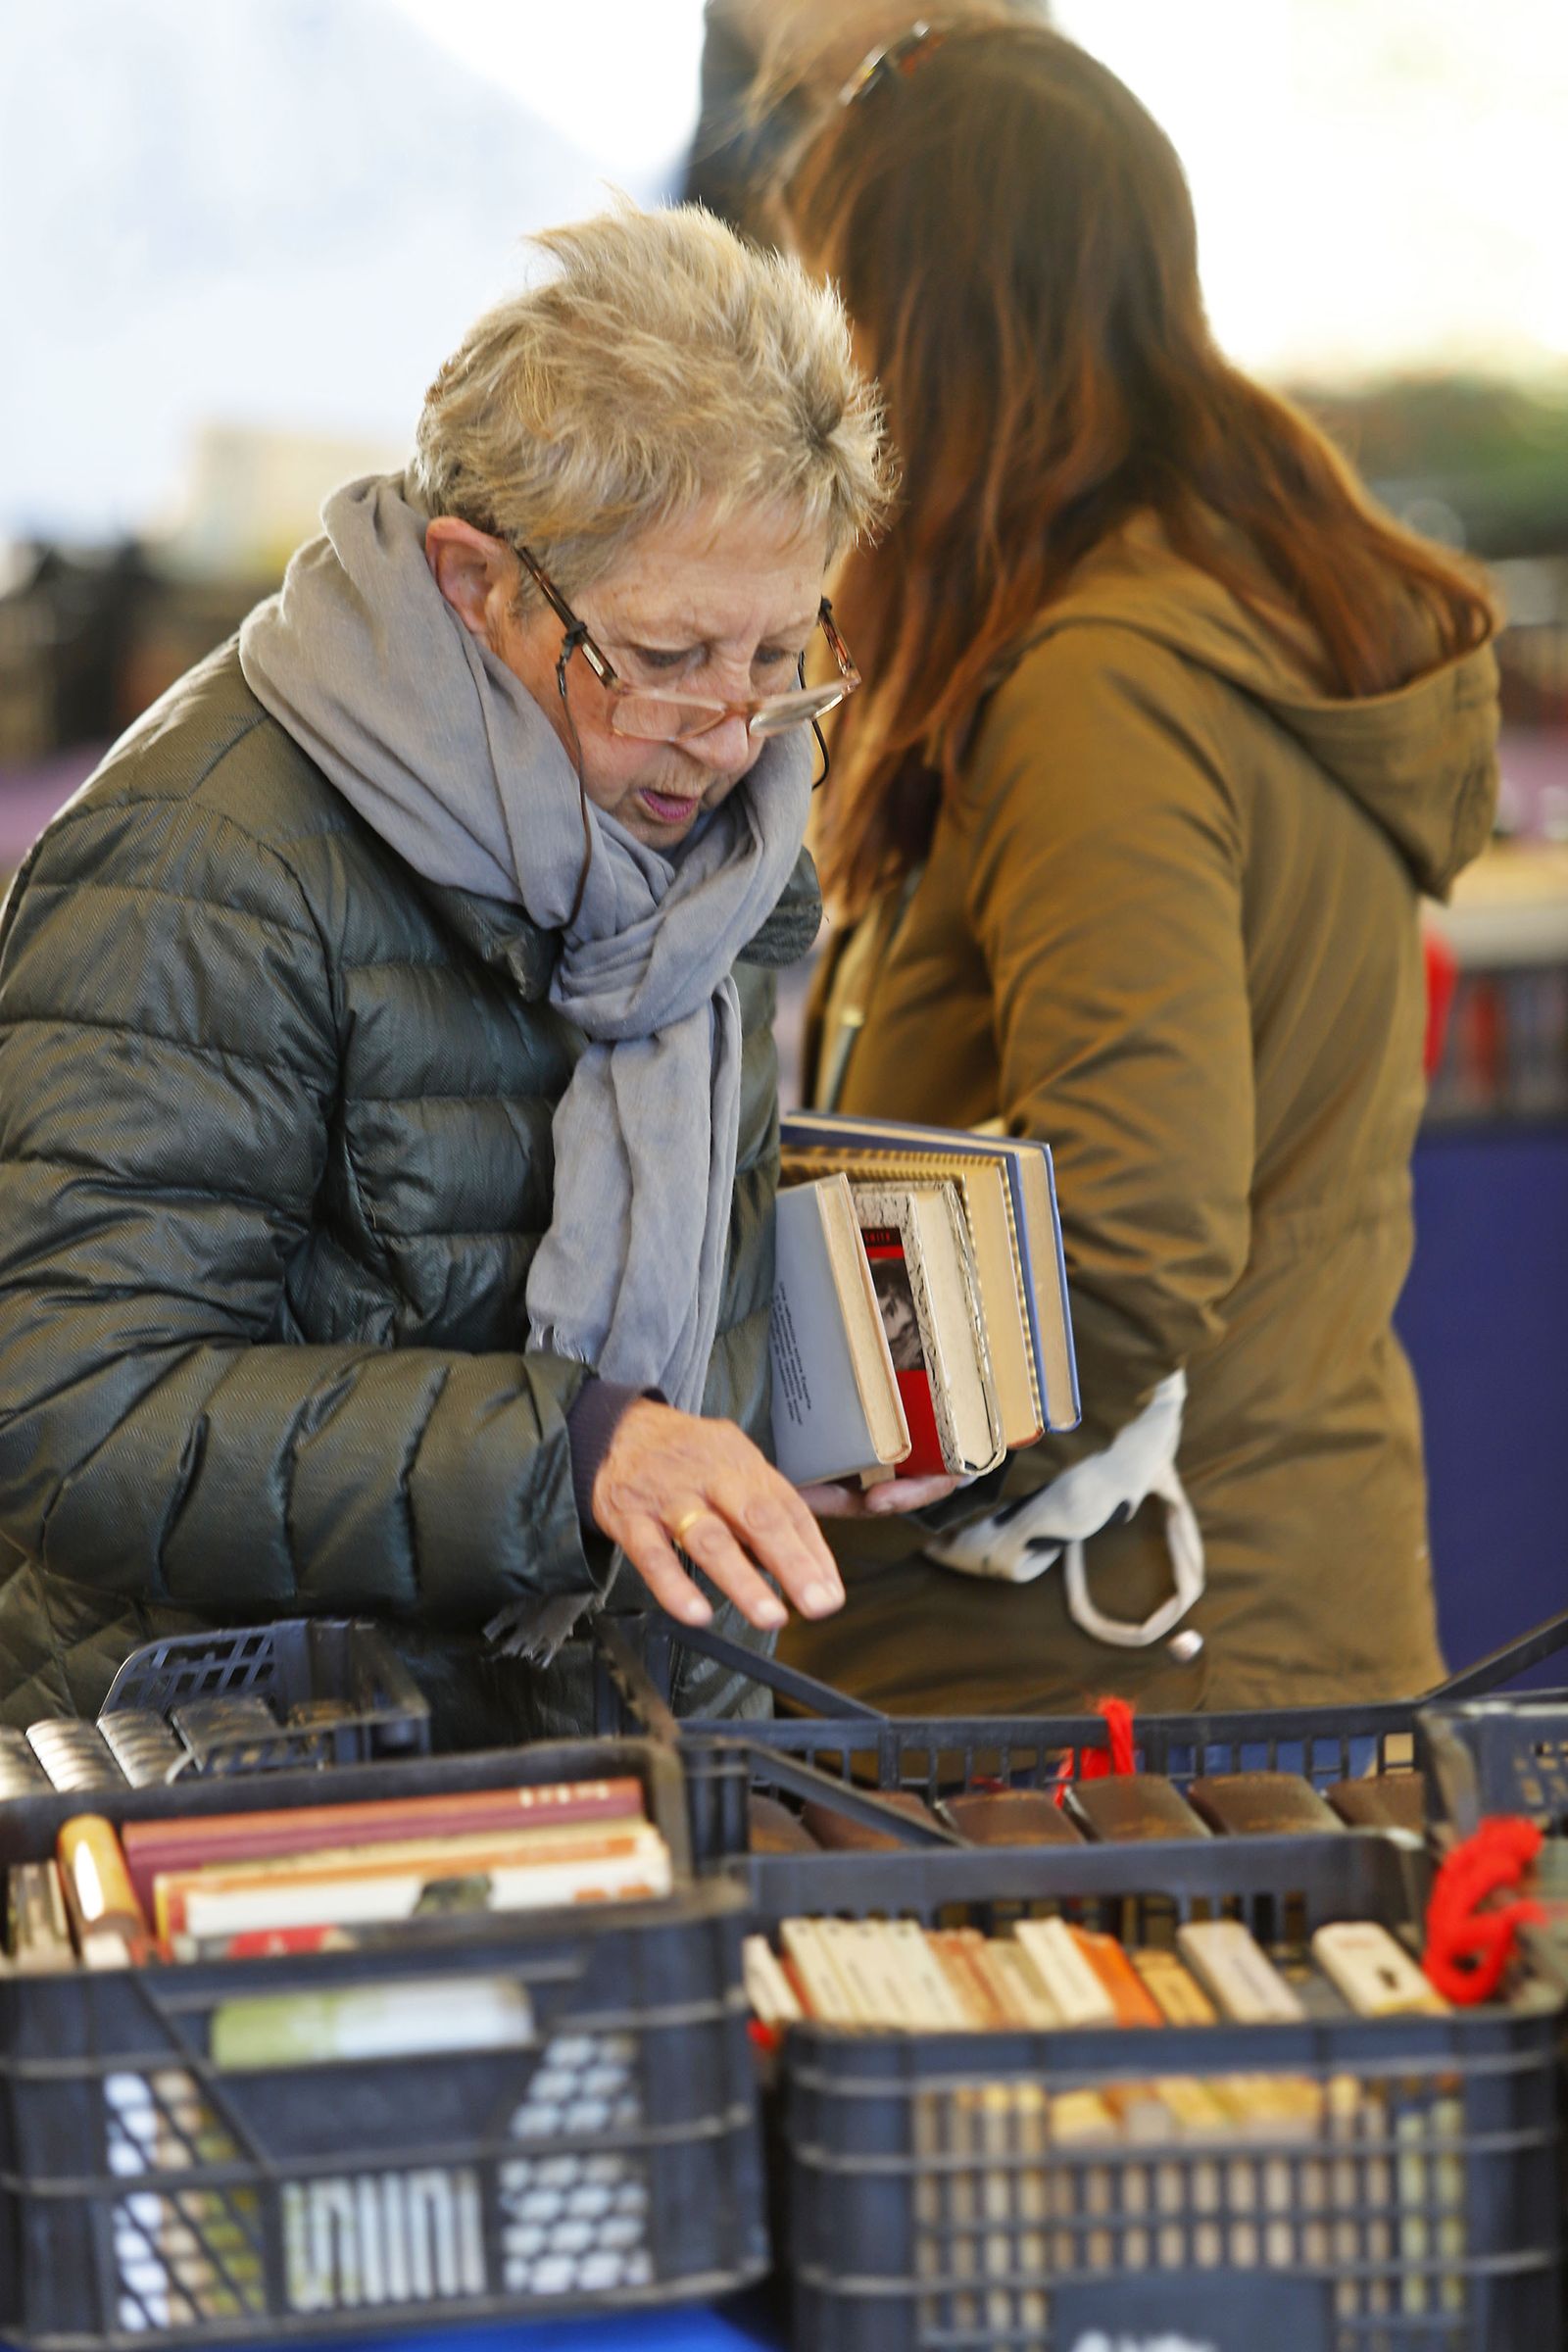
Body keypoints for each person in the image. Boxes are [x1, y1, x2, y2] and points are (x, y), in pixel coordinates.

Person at [0, 202, 956, 1744]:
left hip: (618, 1754)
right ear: (473, 583)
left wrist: (773, 1417)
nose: (727, 733)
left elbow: (642, 1315)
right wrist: (571, 1457)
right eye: (665, 656)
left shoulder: (718, 846)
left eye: (781, 656)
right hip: (251, 1786)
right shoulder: (202, 862)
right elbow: (73, 1413)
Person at [772, 24, 1502, 1714]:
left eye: (826, 310)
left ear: (924, 331)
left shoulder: (1102, 682)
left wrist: (769, 1438)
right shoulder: (1210, 609)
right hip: (1209, 1626)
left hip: (1107, 1692)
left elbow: (1126, 1224)